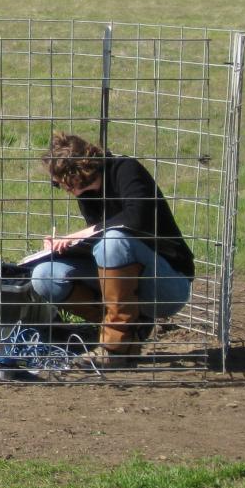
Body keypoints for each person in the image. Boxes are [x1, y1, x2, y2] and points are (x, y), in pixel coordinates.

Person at [29, 131, 194, 369]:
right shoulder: (86, 195)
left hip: (168, 285)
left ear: (75, 175)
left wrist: (82, 234)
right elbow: (100, 247)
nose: (57, 186)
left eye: (58, 181)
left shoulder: (126, 169)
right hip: (129, 285)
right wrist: (64, 248)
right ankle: (133, 331)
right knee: (45, 275)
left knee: (114, 240)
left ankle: (113, 348)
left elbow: (135, 219)